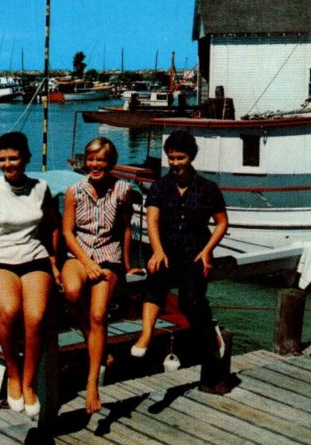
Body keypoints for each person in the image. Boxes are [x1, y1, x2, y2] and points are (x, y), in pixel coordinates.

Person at [0, 131, 60, 419]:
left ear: (26, 158)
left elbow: (52, 226)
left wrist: (53, 261)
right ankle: (13, 375)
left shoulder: (41, 188)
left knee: (36, 316)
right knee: (9, 310)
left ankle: (29, 384)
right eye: (2, 159)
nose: (7, 164)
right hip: (0, 262)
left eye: (13, 158)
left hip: (34, 259)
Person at [130, 130, 228, 363]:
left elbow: (222, 223)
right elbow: (152, 220)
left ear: (191, 156)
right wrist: (157, 250)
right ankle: (146, 334)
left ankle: (212, 333)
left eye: (180, 158)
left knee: (191, 300)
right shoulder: (160, 187)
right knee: (154, 280)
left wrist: (207, 251)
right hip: (166, 248)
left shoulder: (208, 188)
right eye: (171, 158)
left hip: (196, 250)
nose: (175, 163)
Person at [60, 137, 135, 414]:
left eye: (100, 160)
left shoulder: (123, 190)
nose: (95, 165)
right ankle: (98, 345)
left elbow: (126, 228)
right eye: (91, 159)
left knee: (98, 314)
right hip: (79, 254)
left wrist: (126, 266)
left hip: (109, 256)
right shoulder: (74, 192)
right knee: (71, 293)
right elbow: (68, 232)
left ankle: (92, 382)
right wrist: (85, 262)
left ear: (111, 163)